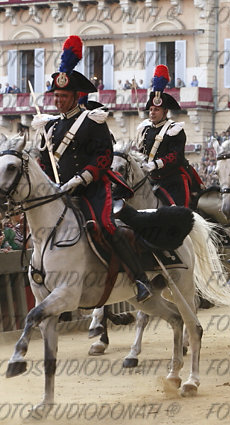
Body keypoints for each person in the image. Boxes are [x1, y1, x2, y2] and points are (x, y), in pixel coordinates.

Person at [36, 35, 151, 302]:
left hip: (92, 190)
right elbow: (44, 161)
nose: (59, 101)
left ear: (76, 96)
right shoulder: (50, 126)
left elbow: (104, 156)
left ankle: (140, 279)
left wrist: (81, 177)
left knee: (107, 226)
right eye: (56, 96)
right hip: (60, 191)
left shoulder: (92, 121)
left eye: (64, 96)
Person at [136, 65, 204, 208]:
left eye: (156, 110)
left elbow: (176, 155)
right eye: (151, 110)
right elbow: (141, 151)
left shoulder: (175, 130)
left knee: (179, 210)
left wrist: (155, 164)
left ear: (165, 111)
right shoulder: (145, 129)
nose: (152, 113)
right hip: (151, 178)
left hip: (172, 178)